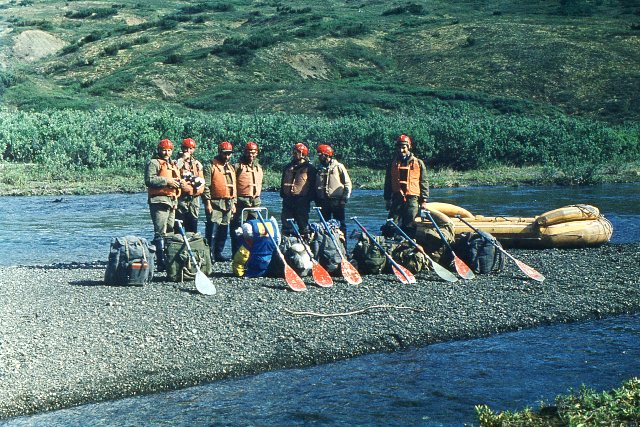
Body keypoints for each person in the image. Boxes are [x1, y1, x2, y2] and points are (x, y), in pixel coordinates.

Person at [144, 138, 182, 271]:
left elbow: (176, 183)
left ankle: (169, 259)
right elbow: (149, 180)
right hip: (158, 201)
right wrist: (167, 181)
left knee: (170, 230)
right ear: (159, 150)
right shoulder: (153, 163)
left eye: (169, 150)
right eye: (164, 150)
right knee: (160, 231)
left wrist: (176, 199)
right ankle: (160, 261)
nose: (166, 153)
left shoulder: (172, 164)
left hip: (171, 201)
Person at [383, 134, 429, 238]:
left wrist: (424, 200)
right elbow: (388, 183)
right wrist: (387, 199)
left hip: (412, 198)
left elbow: (424, 182)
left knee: (409, 224)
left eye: (403, 147)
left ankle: (408, 246)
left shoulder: (419, 163)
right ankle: (388, 243)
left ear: (408, 147)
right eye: (399, 147)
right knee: (390, 224)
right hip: (396, 197)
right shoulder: (392, 164)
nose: (401, 150)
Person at [203, 141, 236, 262]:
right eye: (225, 153)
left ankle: (219, 253)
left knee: (224, 230)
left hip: (228, 203)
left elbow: (234, 187)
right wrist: (207, 203)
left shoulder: (231, 167)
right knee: (212, 230)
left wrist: (234, 203)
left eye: (229, 154)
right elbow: (205, 186)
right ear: (219, 152)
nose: (227, 156)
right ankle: (210, 254)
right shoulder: (210, 166)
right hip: (215, 203)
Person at [230, 141, 264, 256]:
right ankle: (236, 252)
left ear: (256, 153)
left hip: (255, 202)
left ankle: (251, 252)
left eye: (253, 153)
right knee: (238, 229)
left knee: (255, 228)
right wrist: (233, 202)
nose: (251, 155)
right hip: (241, 201)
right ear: (245, 152)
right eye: (249, 152)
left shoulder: (258, 167)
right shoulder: (237, 166)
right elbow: (232, 185)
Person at [314, 143, 352, 239]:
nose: (318, 157)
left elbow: (347, 184)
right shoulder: (318, 169)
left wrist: (344, 199)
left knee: (340, 225)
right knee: (323, 225)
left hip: (337, 202)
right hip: (323, 202)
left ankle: (343, 247)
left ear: (326, 155)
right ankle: (326, 246)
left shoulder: (338, 166)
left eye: (320, 155)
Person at [280, 142, 316, 236]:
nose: (294, 155)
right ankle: (286, 244)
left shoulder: (310, 168)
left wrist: (307, 199)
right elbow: (283, 183)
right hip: (288, 200)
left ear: (303, 154)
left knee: (303, 226)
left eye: (296, 153)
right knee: (286, 226)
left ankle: (305, 242)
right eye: (294, 152)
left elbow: (313, 186)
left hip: (302, 201)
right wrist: (283, 195)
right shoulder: (287, 167)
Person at [175, 138, 205, 233]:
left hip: (194, 199)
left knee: (192, 225)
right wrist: (182, 159)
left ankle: (192, 243)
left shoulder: (197, 164)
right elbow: (173, 170)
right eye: (186, 149)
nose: (188, 151)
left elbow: (202, 180)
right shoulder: (176, 161)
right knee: (178, 226)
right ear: (182, 149)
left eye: (191, 148)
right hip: (181, 199)